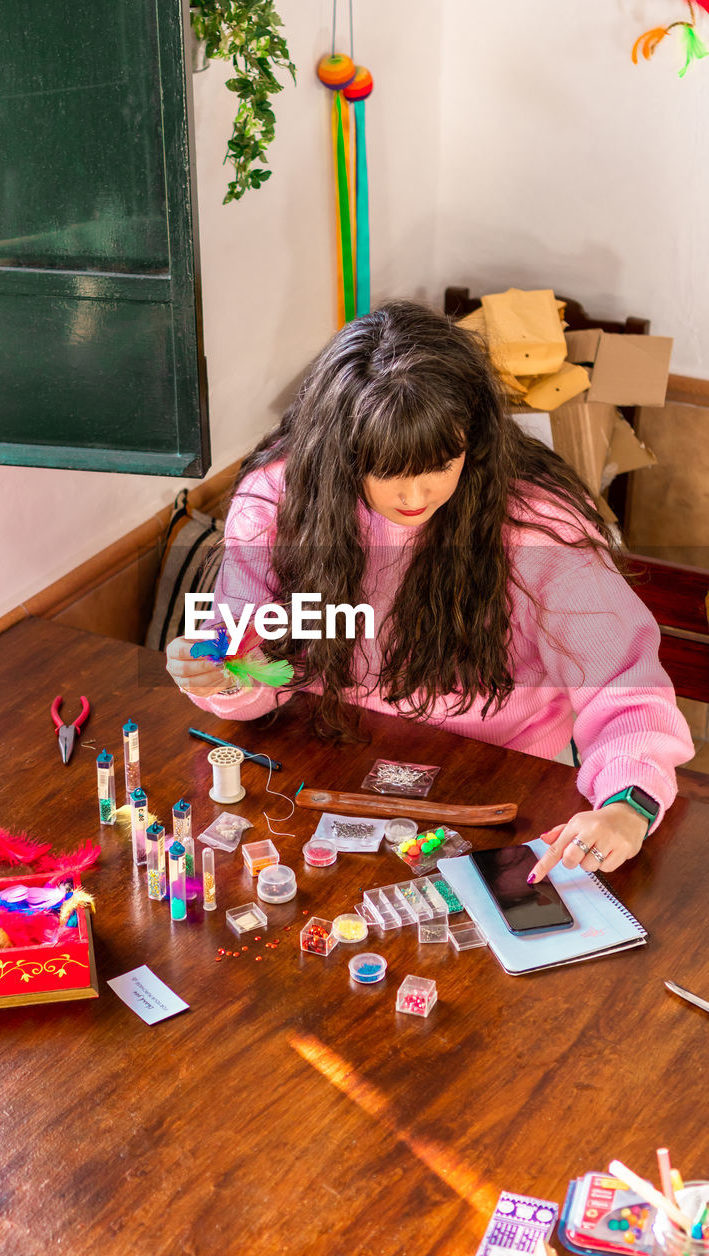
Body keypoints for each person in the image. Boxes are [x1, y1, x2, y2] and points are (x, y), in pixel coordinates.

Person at [166, 302, 693, 876]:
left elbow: (626, 690)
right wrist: (223, 674)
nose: (416, 495)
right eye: (388, 468)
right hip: (331, 768)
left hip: (500, 790)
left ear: (476, 440)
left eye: (442, 462)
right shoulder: (276, 502)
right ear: (339, 453)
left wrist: (627, 804)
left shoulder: (540, 526)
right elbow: (254, 669)